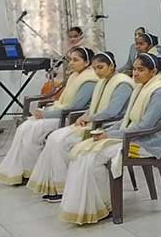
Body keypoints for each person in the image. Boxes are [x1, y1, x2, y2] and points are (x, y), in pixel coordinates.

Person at [59, 53, 161, 225]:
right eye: (134, 69)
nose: (135, 73)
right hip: (130, 136)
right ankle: (86, 206)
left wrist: (110, 135)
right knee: (82, 152)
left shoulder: (160, 94)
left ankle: (105, 205)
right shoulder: (142, 87)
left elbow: (143, 127)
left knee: (93, 157)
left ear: (153, 71)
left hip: (145, 144)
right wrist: (106, 131)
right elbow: (127, 120)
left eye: (141, 70)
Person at [26, 51, 134, 202]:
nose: (97, 72)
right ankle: (58, 185)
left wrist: (90, 118)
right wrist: (84, 116)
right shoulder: (103, 81)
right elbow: (95, 106)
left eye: (101, 67)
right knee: (54, 138)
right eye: (95, 68)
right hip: (93, 123)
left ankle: (66, 188)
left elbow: (112, 111)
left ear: (112, 66)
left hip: (107, 126)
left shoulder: (122, 84)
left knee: (61, 142)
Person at [0, 47, 99, 185]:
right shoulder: (75, 76)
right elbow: (63, 102)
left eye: (76, 60)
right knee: (24, 128)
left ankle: (33, 172)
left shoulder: (89, 80)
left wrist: (46, 114)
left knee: (34, 130)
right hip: (60, 112)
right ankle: (24, 171)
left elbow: (75, 107)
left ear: (87, 63)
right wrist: (46, 112)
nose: (71, 63)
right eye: (70, 60)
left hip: (69, 117)